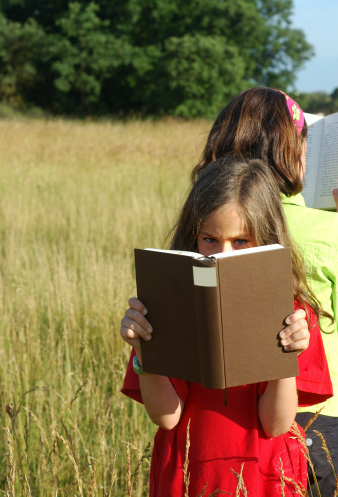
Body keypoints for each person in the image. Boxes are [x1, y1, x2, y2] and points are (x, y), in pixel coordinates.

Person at [120, 157, 333, 496]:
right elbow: (167, 417)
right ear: (193, 238)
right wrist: (145, 354)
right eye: (209, 240)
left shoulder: (294, 314)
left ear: (266, 238)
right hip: (186, 475)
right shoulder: (168, 303)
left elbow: (275, 424)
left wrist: (287, 360)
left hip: (264, 479)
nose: (223, 254)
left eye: (241, 241)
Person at [192, 87, 338, 494]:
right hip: (322, 415)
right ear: (293, 151)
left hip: (216, 428)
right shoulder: (328, 231)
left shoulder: (207, 225)